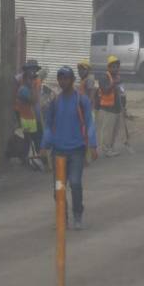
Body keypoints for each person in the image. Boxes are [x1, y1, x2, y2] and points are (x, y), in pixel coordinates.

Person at [41, 66, 98, 230]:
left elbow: (89, 123)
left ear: (72, 80)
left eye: (66, 78)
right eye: (60, 78)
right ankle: (62, 218)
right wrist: (44, 145)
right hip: (58, 151)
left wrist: (93, 145)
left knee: (75, 183)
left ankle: (78, 215)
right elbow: (48, 126)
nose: (63, 81)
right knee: (59, 188)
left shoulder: (82, 100)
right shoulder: (55, 102)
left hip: (76, 150)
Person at [14, 59, 44, 167]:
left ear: (36, 70)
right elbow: (14, 89)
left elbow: (34, 99)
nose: (32, 71)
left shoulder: (36, 81)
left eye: (34, 69)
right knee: (27, 136)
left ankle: (40, 156)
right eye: (30, 69)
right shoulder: (19, 78)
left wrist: (30, 88)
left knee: (37, 135)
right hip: (21, 112)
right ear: (26, 70)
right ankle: (25, 158)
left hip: (33, 113)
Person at [96, 55, 125, 156]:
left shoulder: (118, 78)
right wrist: (114, 84)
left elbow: (122, 93)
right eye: (113, 67)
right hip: (107, 108)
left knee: (114, 131)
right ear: (108, 67)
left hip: (117, 108)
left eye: (117, 67)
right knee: (107, 131)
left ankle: (111, 148)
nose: (115, 69)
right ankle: (106, 149)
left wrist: (124, 107)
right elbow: (105, 91)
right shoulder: (104, 77)